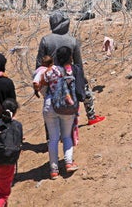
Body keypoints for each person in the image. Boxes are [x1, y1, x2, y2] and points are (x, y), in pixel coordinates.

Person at [36, 10, 104, 125]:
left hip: (51, 75)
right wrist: (82, 79)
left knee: (49, 101)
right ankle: (91, 116)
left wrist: (39, 79)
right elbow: (78, 64)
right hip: (69, 74)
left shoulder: (45, 40)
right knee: (87, 92)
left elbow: (39, 63)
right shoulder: (73, 41)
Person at [42, 47, 79, 179]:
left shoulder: (49, 71)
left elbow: (42, 88)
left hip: (50, 105)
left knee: (53, 139)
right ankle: (68, 163)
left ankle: (53, 170)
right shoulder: (72, 70)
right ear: (70, 57)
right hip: (67, 106)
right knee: (67, 136)